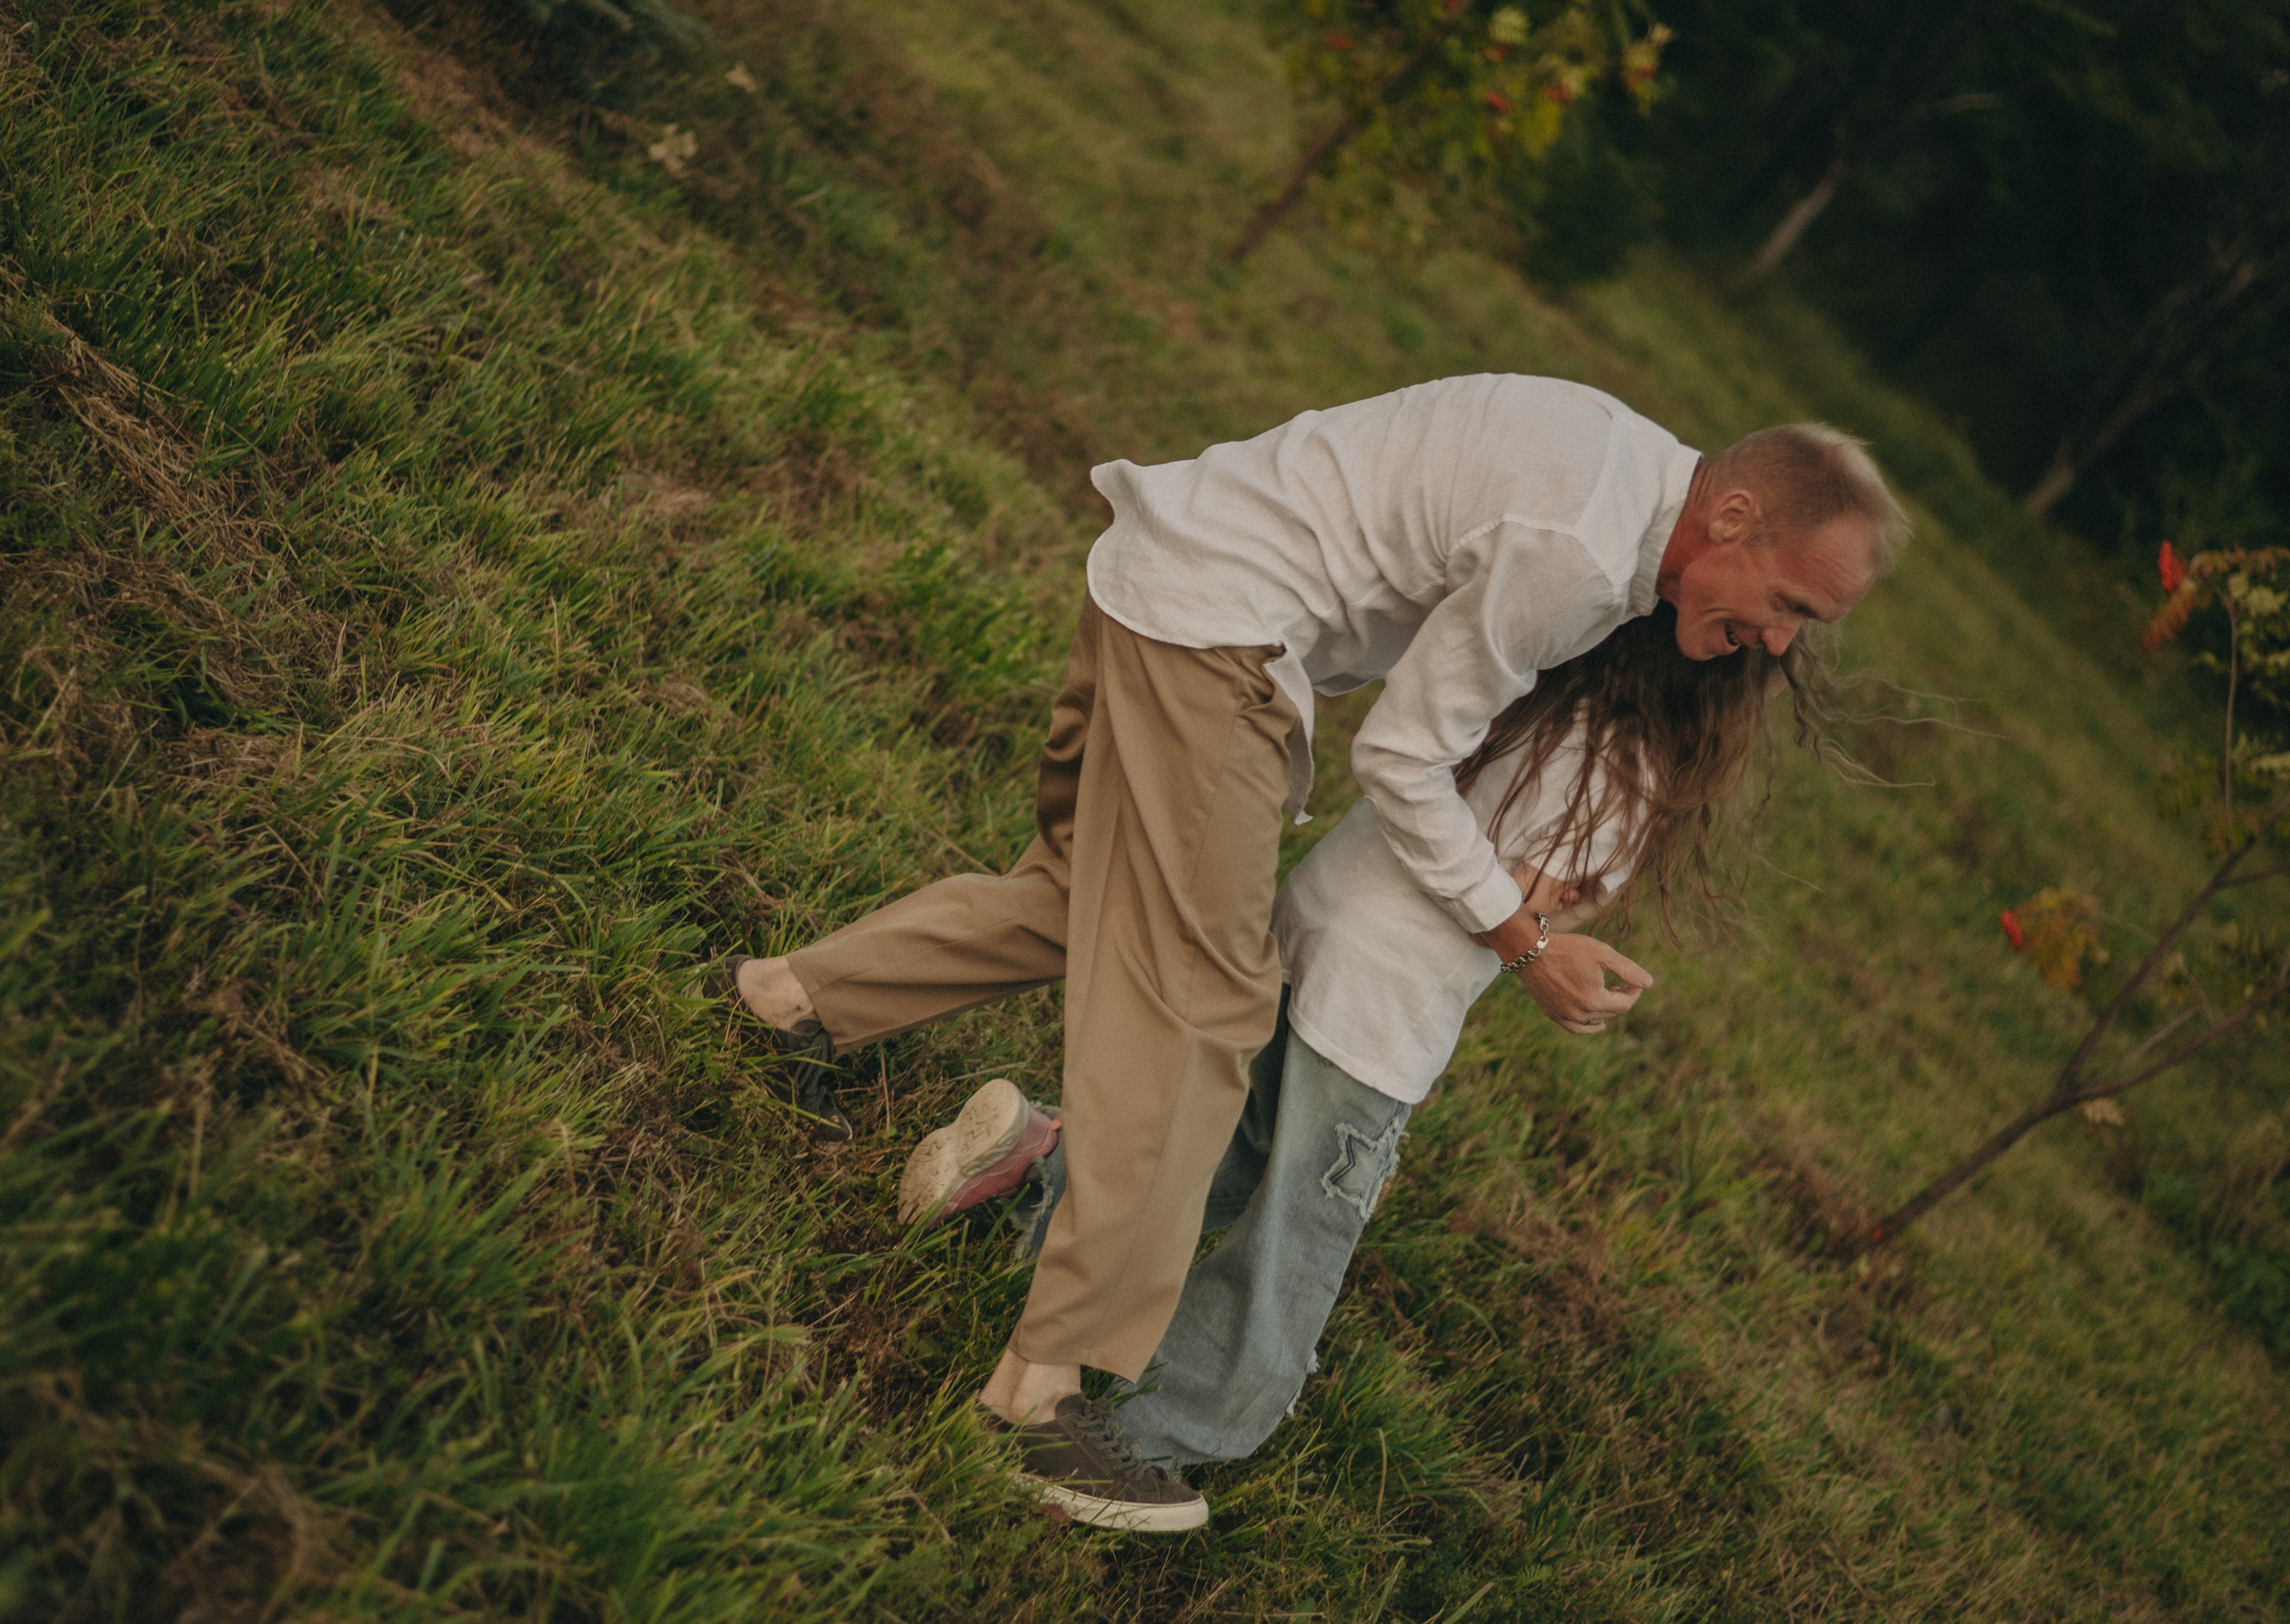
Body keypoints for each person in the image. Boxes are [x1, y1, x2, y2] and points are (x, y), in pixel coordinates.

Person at [713, 375, 1905, 1530]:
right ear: (1733, 516)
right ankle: (1037, 1393)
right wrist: (1523, 934)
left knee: (1087, 896)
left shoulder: (1622, 471)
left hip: (1170, 582)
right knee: (1204, 1010)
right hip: (1217, 637)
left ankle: (791, 997)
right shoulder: (1583, 553)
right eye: (1789, 604)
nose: (1777, 642)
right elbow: (1400, 760)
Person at [894, 602, 1816, 1517]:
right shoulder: (1624, 774)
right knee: (1290, 1252)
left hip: (1308, 932)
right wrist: (1560, 930)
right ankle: (1153, 1430)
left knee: (1217, 1151)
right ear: (1730, 697)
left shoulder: (1534, 692)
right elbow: (1527, 899)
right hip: (1381, 1019)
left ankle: (1035, 1178)